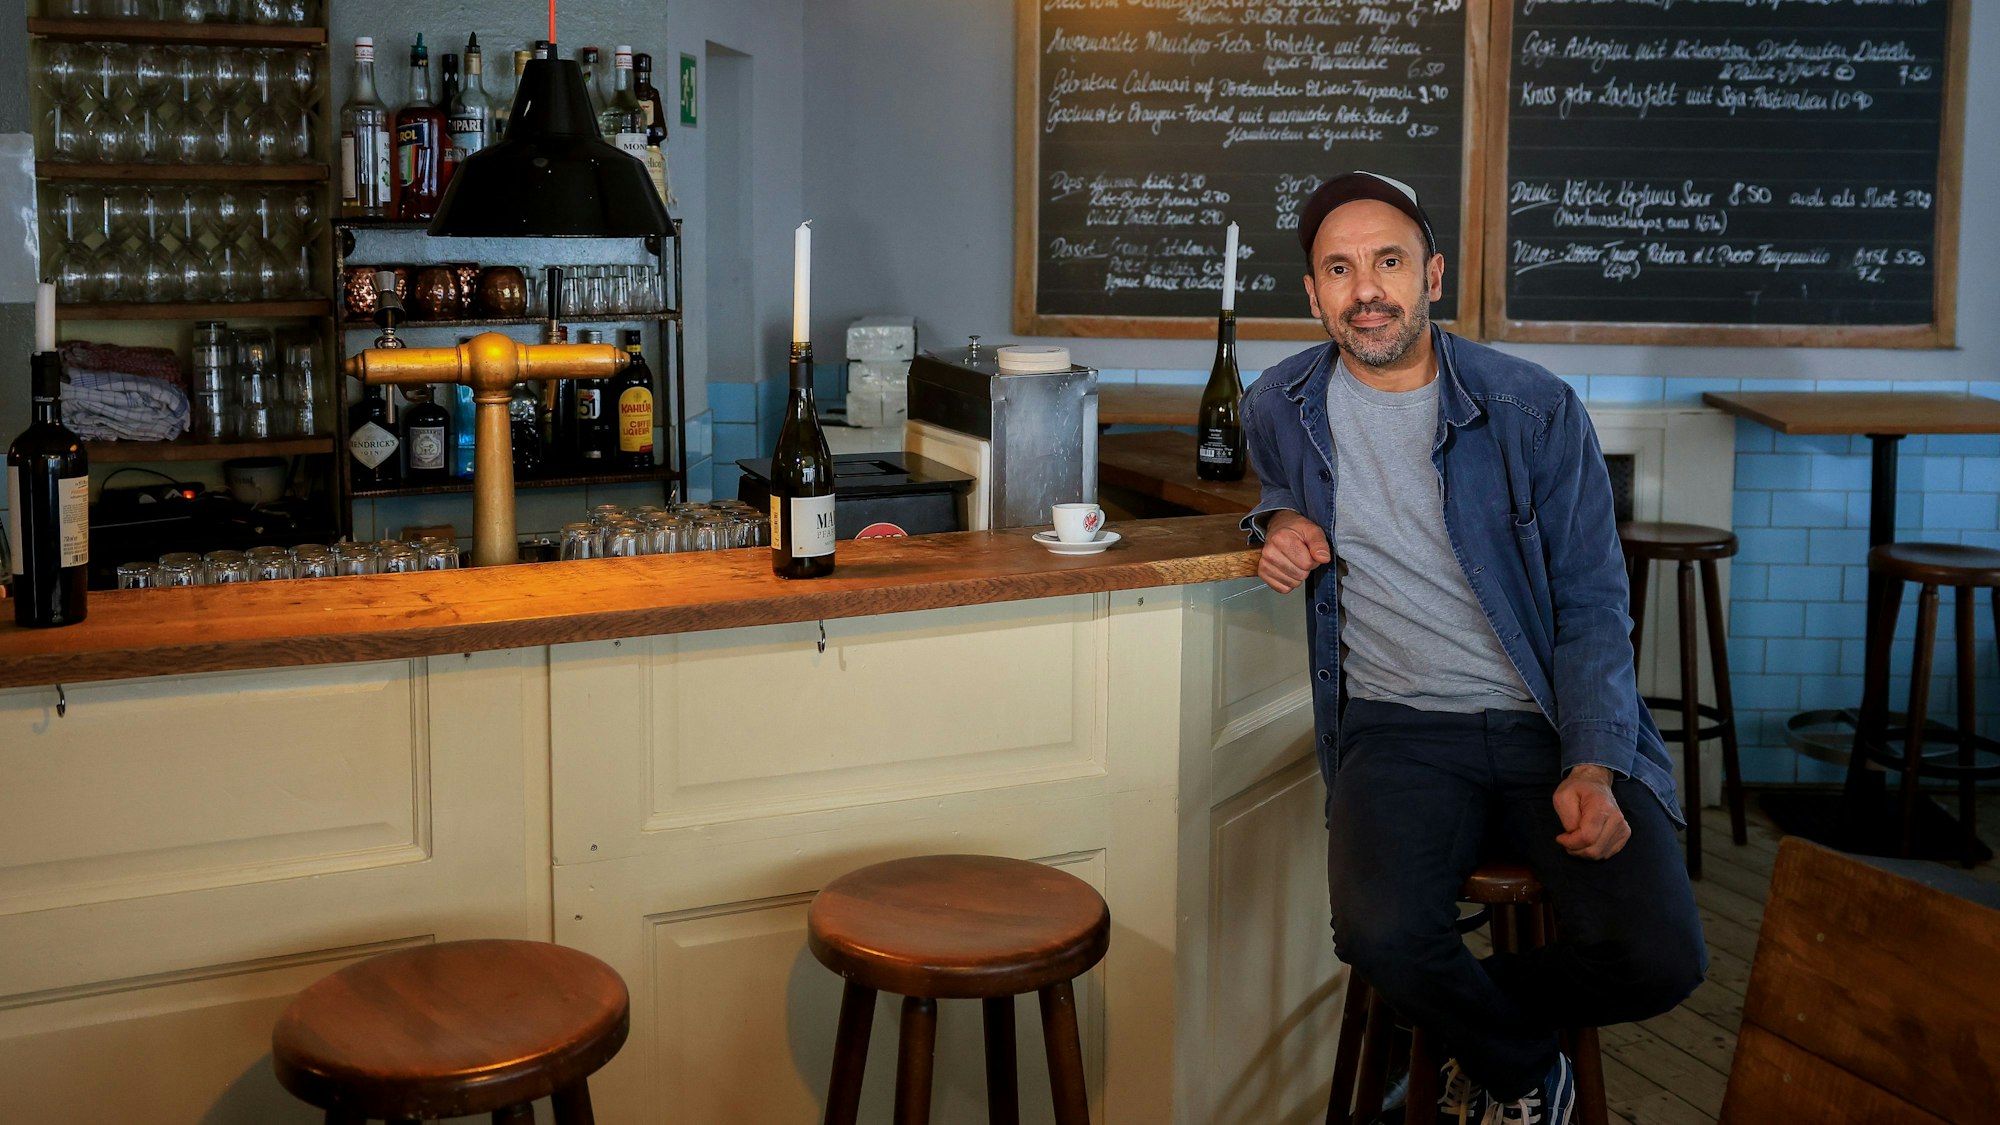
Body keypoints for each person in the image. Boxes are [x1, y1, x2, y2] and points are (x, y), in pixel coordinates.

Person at [1241, 171, 1706, 1125]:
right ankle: (1527, 1069)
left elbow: (1592, 600)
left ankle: (1460, 1032)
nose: (1366, 289)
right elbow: (1272, 486)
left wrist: (1592, 760)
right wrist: (1276, 516)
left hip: (1544, 716)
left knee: (1662, 955)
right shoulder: (1278, 401)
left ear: (1433, 276)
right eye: (1339, 268)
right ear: (1314, 292)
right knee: (1379, 934)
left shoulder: (1534, 408)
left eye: (1388, 262)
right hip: (1396, 727)